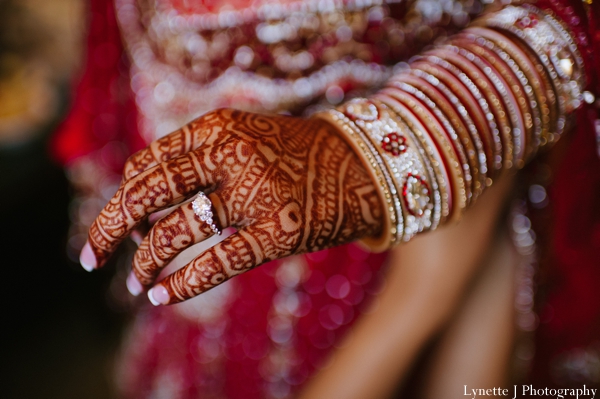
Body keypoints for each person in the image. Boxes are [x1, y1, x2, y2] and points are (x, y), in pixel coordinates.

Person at [52, 0, 600, 396]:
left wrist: (392, 159)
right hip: (205, 315)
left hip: (426, 262)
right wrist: (417, 300)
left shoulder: (458, 187)